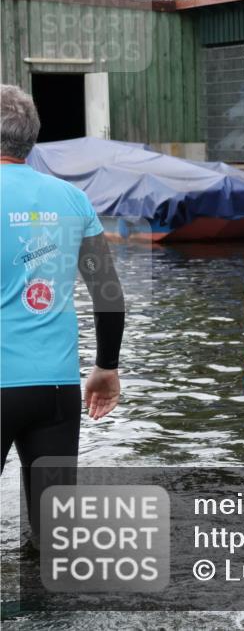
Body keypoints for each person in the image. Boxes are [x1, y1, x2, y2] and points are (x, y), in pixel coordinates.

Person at [0, 84, 125, 532]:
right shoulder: (72, 199)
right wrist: (106, 367)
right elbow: (108, 293)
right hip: (55, 389)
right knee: (53, 540)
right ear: (31, 139)